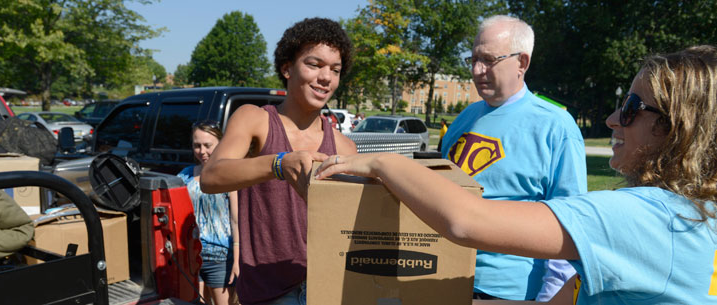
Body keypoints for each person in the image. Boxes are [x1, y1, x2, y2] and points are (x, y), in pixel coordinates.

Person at [316, 45, 717, 304]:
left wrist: (384, 162)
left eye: (631, 107)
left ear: (677, 126)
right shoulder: (691, 213)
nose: (613, 119)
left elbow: (468, 221)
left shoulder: (647, 215)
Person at [201, 17, 357, 305]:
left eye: (335, 70)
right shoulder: (255, 120)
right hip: (267, 291)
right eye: (314, 64)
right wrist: (279, 164)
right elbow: (211, 177)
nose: (326, 77)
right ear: (287, 68)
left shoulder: (344, 145)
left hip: (326, 287)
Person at [438, 15, 586, 301]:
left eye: (489, 60)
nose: (478, 70)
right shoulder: (465, 118)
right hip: (444, 278)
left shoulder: (556, 126)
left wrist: (550, 297)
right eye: (473, 59)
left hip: (507, 293)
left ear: (522, 63)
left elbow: (571, 221)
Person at [177, 121, 239, 305]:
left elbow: (236, 220)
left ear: (220, 144)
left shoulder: (229, 175)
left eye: (208, 145)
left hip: (220, 257)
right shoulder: (186, 175)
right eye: (197, 145)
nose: (202, 151)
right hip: (194, 256)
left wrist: (237, 260)